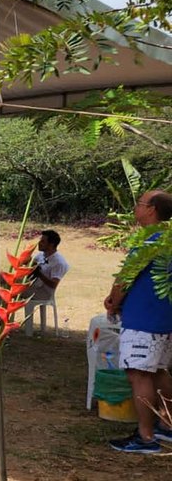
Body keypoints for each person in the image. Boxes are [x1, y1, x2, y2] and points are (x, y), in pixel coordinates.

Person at [105, 190, 172, 454]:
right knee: (158, 371)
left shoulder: (151, 240)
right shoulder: (167, 238)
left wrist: (113, 300)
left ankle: (145, 437)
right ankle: (167, 425)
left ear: (152, 209)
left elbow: (125, 276)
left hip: (144, 320)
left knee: (139, 374)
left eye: (140, 203)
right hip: (163, 319)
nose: (136, 207)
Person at [29, 230, 69, 300]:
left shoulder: (59, 262)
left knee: (7, 291)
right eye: (40, 240)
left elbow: (53, 284)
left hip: (44, 293)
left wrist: (39, 273)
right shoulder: (40, 255)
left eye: (43, 242)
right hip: (32, 286)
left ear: (51, 244)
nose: (39, 243)